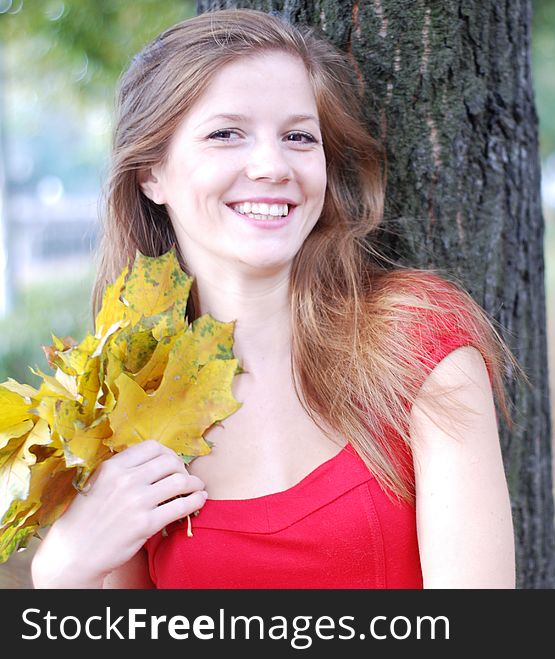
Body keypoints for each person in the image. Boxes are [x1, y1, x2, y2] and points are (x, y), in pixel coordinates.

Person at [30, 8, 517, 589]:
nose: (272, 166)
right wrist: (63, 571)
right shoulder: (130, 400)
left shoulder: (417, 342)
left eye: (297, 137)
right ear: (150, 174)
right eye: (225, 134)